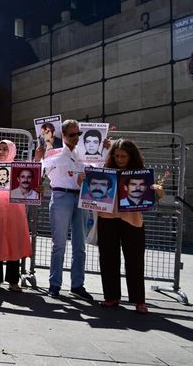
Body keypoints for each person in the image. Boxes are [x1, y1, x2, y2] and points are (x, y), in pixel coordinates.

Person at [96, 139, 164, 314]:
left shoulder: (141, 174)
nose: (119, 159)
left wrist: (158, 192)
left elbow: (151, 197)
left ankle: (139, 301)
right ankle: (110, 297)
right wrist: (84, 183)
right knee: (108, 258)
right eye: (116, 156)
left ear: (131, 156)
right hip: (107, 217)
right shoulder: (106, 171)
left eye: (123, 156)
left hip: (132, 220)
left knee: (134, 260)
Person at [40, 119, 92, 299]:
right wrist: (40, 155)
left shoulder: (83, 151)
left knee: (80, 244)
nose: (76, 137)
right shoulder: (53, 152)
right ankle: (55, 284)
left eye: (78, 133)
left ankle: (77, 285)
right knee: (59, 243)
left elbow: (96, 168)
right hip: (61, 195)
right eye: (72, 134)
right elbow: (42, 173)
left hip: (81, 197)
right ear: (63, 135)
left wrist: (106, 149)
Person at [0, 140, 33, 291]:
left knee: (13, 245)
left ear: (12, 151)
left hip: (15, 214)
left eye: (5, 149)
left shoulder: (19, 169)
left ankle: (13, 281)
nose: (1, 152)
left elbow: (30, 189)